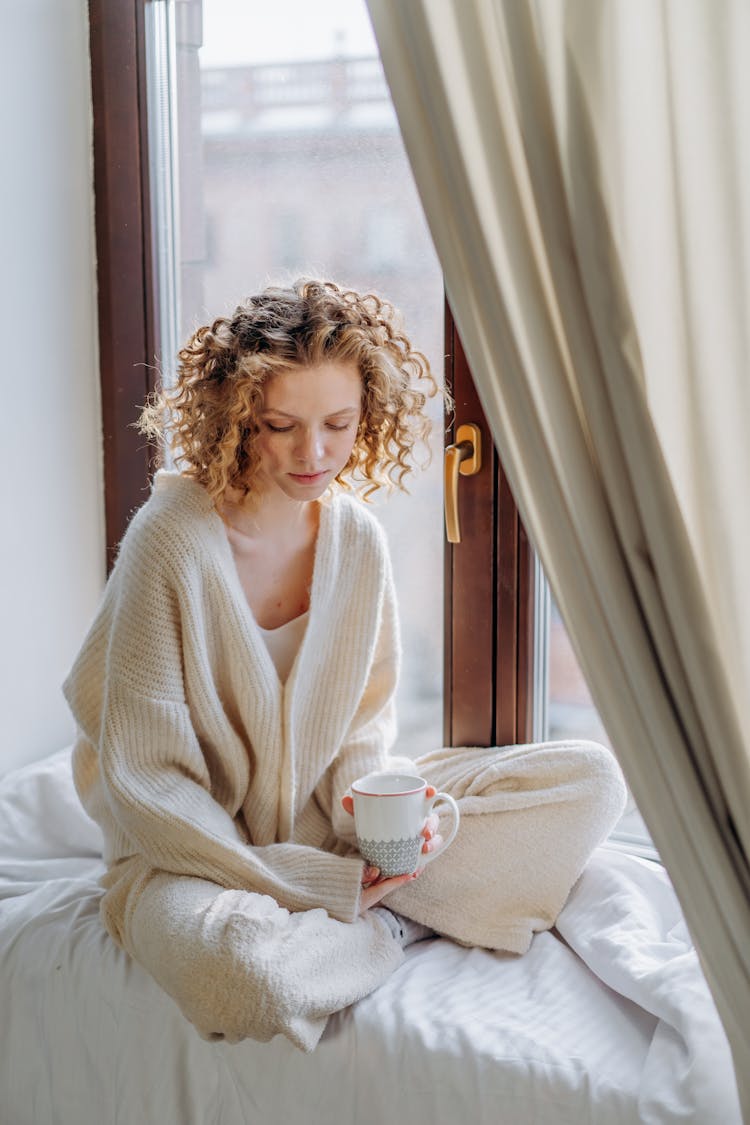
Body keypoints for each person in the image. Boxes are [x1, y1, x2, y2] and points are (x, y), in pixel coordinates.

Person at [63, 278, 626, 1051]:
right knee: (245, 977)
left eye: (338, 423)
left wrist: (380, 825)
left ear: (369, 417)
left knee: (591, 782)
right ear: (237, 417)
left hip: (325, 834)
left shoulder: (357, 540)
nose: (314, 453)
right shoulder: (171, 540)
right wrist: (306, 882)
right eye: (280, 425)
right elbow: (149, 786)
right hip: (188, 858)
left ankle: (388, 903)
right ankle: (395, 922)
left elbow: (361, 736)